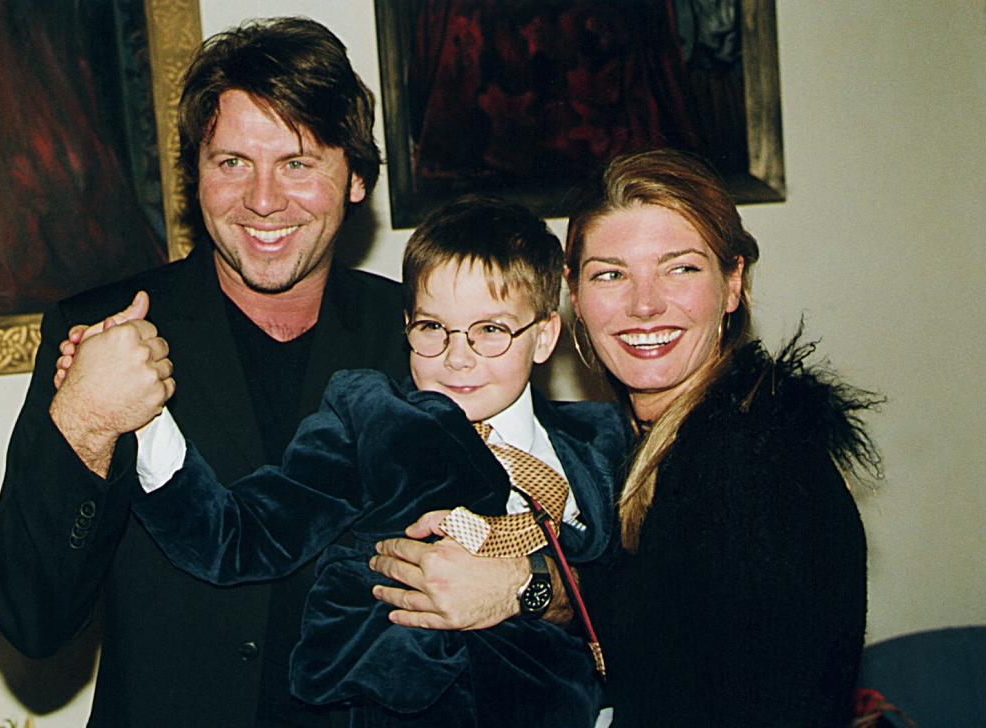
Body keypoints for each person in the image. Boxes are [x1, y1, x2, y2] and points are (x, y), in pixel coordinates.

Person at [0, 18, 410, 727]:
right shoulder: (102, 332)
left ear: (356, 178)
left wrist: (524, 585)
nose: (263, 199)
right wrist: (85, 423)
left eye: (298, 163)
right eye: (232, 162)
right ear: (196, 174)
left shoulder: (420, 337)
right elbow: (31, 620)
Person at [59, 196, 631, 727]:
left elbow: (636, 601)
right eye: (432, 328)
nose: (458, 358)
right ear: (406, 327)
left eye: (490, 331)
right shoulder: (372, 422)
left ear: (544, 336)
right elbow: (238, 536)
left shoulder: (602, 442)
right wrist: (144, 420)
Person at [372, 148, 882, 726]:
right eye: (610, 274)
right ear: (574, 297)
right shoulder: (630, 446)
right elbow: (655, 607)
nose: (644, 305)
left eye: (680, 268)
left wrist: (522, 588)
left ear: (732, 283)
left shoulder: (756, 458)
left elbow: (686, 666)